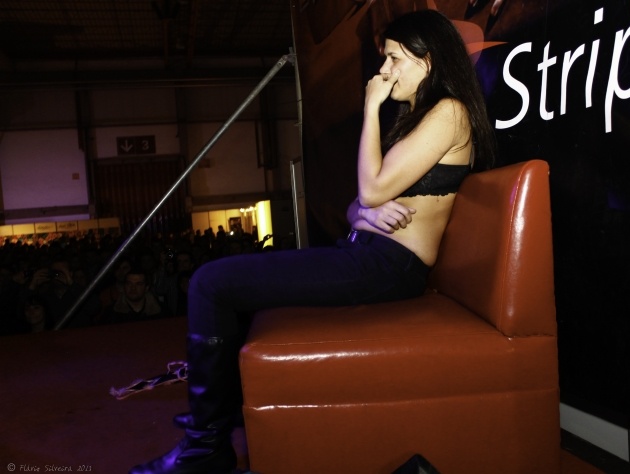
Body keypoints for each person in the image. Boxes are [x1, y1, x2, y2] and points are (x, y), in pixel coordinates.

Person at [129, 9, 495, 474]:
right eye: (384, 59)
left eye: (394, 59)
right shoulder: (417, 117)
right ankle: (214, 423)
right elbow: (356, 206)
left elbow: (370, 191)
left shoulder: (450, 112)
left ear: (429, 61)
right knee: (218, 286)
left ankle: (204, 448)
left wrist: (370, 111)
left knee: (209, 283)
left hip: (387, 267)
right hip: (363, 254)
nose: (383, 71)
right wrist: (366, 211)